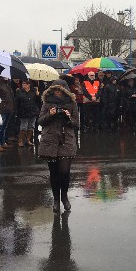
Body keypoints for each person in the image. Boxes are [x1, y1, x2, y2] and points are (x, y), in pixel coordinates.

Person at [38, 79, 79, 212]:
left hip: (66, 140)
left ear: (64, 91)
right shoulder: (47, 103)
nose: (57, 92)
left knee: (64, 171)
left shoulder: (72, 103)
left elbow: (76, 124)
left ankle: (64, 197)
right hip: (50, 140)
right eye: (55, 90)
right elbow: (40, 121)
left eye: (60, 90)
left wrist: (68, 118)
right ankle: (56, 199)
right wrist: (50, 114)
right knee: (54, 172)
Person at [15, 80, 40, 147]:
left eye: (25, 84)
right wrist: (17, 111)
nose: (23, 85)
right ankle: (21, 140)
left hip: (33, 111)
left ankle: (28, 140)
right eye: (23, 84)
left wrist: (38, 95)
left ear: (28, 85)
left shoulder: (33, 91)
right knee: (24, 126)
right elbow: (17, 102)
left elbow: (38, 102)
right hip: (23, 111)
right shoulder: (19, 92)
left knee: (31, 126)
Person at [0, 76, 15, 151]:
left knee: (4, 127)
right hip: (2, 109)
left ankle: (2, 142)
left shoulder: (7, 85)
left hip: (8, 109)